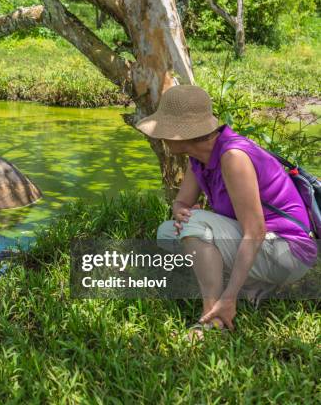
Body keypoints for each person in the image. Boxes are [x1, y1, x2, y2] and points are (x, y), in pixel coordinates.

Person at [135, 85, 317, 336]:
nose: (159, 136)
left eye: (164, 128)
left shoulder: (233, 157)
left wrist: (228, 297)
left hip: (288, 252)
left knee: (196, 225)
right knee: (167, 232)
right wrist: (180, 212)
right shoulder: (199, 157)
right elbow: (181, 203)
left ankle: (213, 318)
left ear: (181, 134)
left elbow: (256, 231)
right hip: (266, 246)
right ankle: (250, 286)